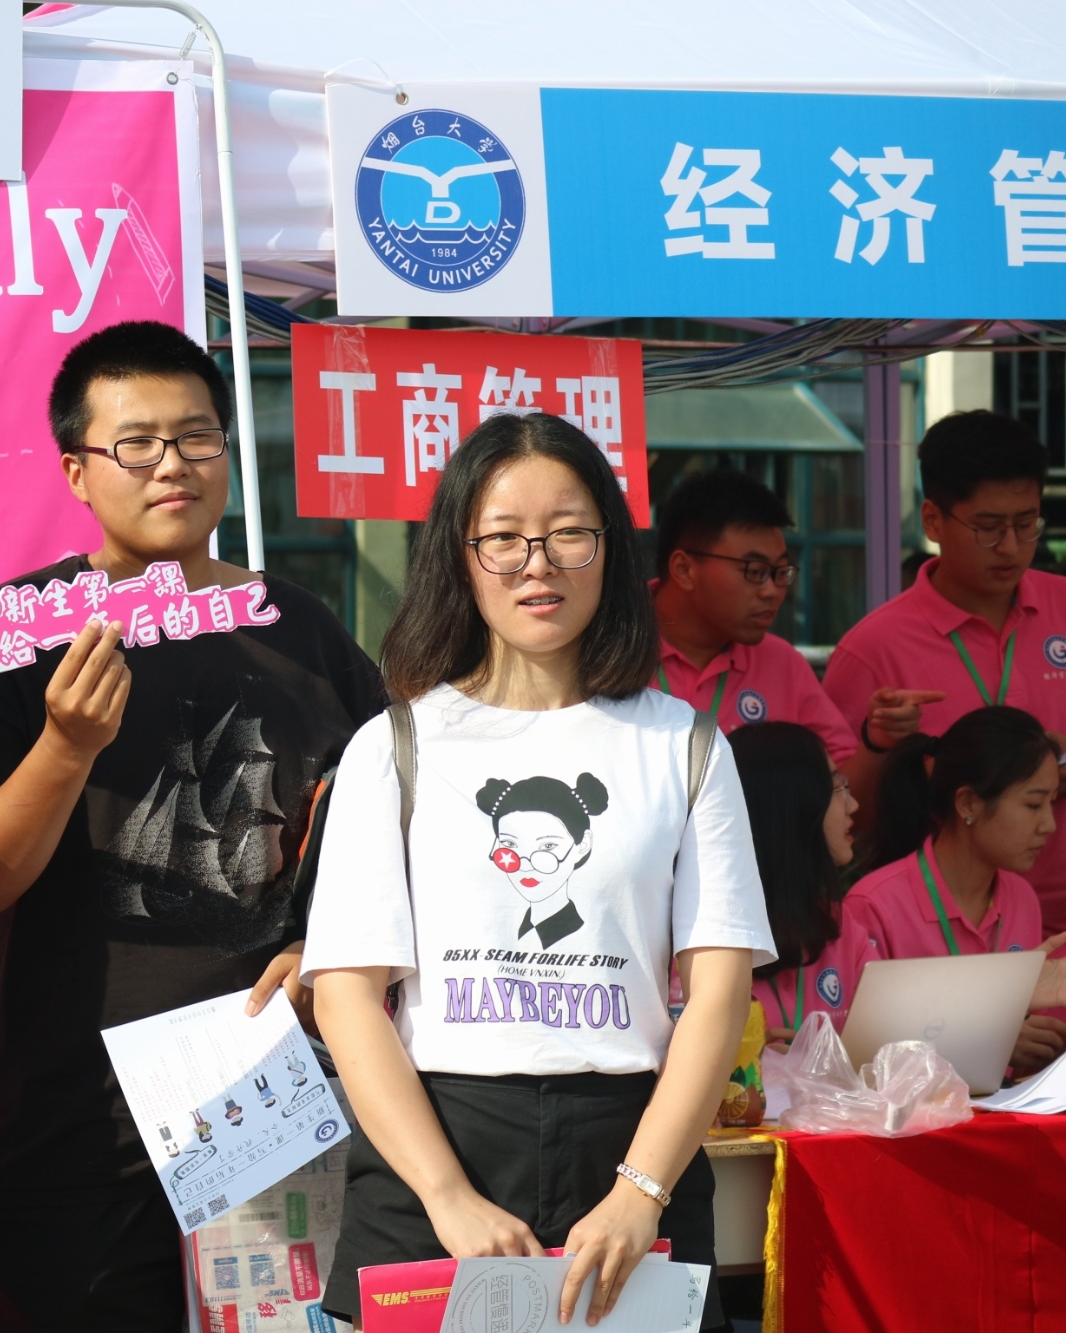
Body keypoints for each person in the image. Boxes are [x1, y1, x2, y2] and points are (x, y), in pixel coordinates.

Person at [0, 321, 386, 1331]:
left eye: (195, 438)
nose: (171, 466)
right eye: (135, 444)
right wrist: (64, 745)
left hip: (272, 1116)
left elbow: (382, 833)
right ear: (76, 468)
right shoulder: (13, 633)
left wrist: (324, 947)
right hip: (72, 1131)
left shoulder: (302, 629)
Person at [300, 412, 773, 1331]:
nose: (538, 564)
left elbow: (718, 991)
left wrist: (640, 1190)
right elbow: (347, 995)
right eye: (504, 538)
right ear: (460, 555)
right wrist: (446, 1194)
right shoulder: (394, 745)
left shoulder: (684, 745)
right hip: (433, 1153)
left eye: (567, 533)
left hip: (635, 1152)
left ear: (610, 545)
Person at [823, 410, 1066, 929]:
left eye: (1026, 524)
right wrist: (880, 746)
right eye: (988, 528)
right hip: (944, 935)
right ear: (933, 520)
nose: (1010, 547)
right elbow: (842, 823)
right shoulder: (873, 649)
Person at [834, 706, 1066, 1070]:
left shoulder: (1022, 897)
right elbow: (858, 1053)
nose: (1049, 825)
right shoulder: (873, 904)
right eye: (1033, 804)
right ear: (968, 803)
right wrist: (990, 1043)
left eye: (1051, 803)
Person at [651, 468, 855, 762]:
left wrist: (877, 743)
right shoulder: (603, 652)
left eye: (780, 571)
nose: (772, 591)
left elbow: (842, 773)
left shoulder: (783, 665)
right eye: (755, 571)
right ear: (684, 569)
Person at [727, 722, 859, 1047]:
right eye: (837, 787)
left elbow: (887, 1053)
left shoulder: (841, 924)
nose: (853, 805)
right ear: (790, 808)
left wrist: (829, 1063)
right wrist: (745, 1063)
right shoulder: (697, 939)